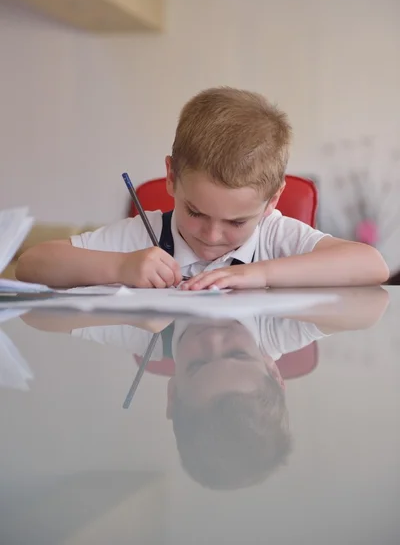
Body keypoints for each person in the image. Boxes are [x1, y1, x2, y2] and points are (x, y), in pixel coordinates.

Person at [16, 87, 389, 289]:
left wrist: (260, 274)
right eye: (195, 212)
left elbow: (372, 265)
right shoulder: (143, 237)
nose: (211, 236)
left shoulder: (274, 235)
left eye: (237, 222)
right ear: (172, 178)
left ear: (272, 201)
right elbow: (33, 264)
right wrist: (120, 265)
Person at [22, 286, 389, 490]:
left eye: (197, 364)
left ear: (172, 391)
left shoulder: (141, 333)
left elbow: (33, 313)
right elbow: (375, 304)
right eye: (236, 354)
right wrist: (270, 275)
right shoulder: (279, 329)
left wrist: (128, 311)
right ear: (273, 369)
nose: (214, 337)